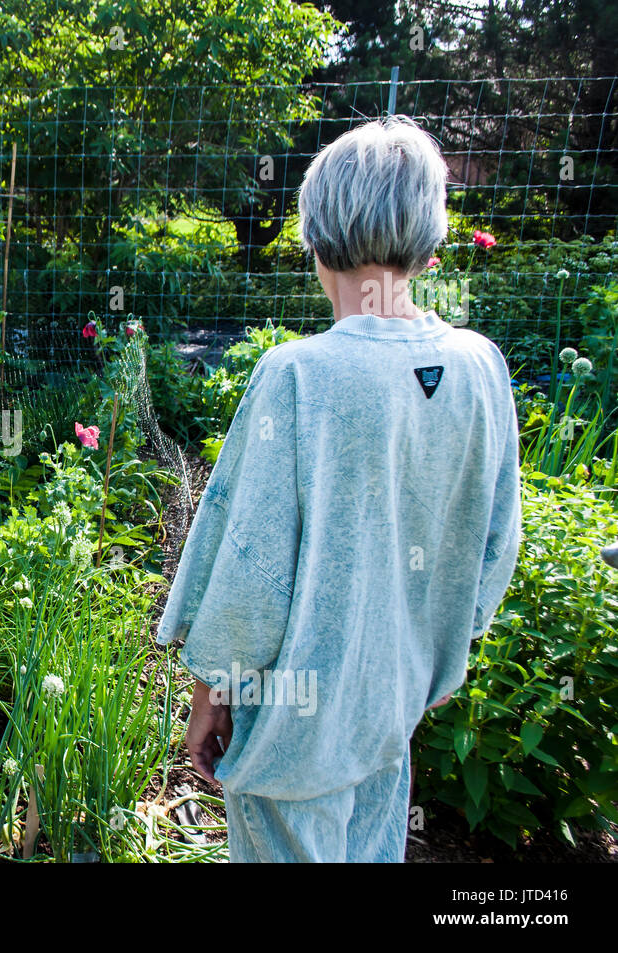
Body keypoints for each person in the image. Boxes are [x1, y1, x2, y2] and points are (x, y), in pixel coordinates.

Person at [155, 115, 523, 863]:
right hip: (388, 711)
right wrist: (445, 650)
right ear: (430, 240)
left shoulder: (299, 376)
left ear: (315, 238)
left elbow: (252, 568)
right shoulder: (482, 368)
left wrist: (210, 690)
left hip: (293, 736)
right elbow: (493, 540)